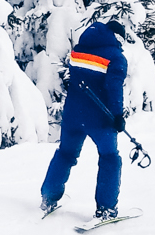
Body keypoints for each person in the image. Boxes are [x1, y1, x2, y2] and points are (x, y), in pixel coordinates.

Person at [40, 17, 130, 221]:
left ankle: (48, 197)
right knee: (110, 158)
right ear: (117, 37)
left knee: (65, 154)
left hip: (72, 113)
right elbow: (113, 87)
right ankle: (106, 209)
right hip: (100, 118)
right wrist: (117, 116)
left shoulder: (79, 50)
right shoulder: (116, 57)